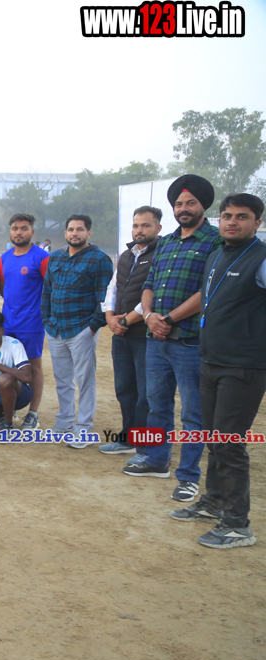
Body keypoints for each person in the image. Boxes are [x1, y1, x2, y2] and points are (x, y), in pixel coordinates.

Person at [171, 193, 265, 548]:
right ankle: (214, 502)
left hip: (244, 366)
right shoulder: (215, 255)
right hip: (210, 360)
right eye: (227, 216)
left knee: (229, 442)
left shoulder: (261, 258)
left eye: (242, 216)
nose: (232, 222)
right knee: (213, 437)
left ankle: (238, 525)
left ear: (257, 223)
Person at [125, 174, 222, 503]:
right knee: (157, 405)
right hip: (156, 340)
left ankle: (189, 477)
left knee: (193, 413)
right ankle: (156, 459)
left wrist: (168, 319)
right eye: (179, 204)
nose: (184, 208)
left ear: (202, 206)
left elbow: (208, 291)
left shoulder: (214, 242)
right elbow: (149, 283)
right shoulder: (165, 242)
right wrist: (149, 316)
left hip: (190, 342)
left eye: (190, 203)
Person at [42, 214, 111, 447]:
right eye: (71, 229)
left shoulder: (99, 259)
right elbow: (47, 291)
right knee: (62, 379)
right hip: (55, 329)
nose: (75, 233)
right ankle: (65, 421)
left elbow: (104, 298)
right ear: (65, 233)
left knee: (85, 380)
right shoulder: (56, 257)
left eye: (80, 229)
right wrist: (46, 319)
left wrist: (92, 327)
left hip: (82, 329)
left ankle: (83, 429)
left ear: (88, 233)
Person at [101, 206, 161, 457]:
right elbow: (113, 288)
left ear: (158, 228)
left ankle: (145, 447)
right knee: (125, 389)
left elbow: (155, 290)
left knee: (146, 393)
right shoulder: (127, 255)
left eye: (146, 225)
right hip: (121, 335)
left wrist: (126, 320)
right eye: (136, 225)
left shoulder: (161, 254)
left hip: (145, 336)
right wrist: (109, 316)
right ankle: (128, 438)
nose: (140, 230)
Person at [0, 213, 49, 430]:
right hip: (8, 324)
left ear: (32, 232)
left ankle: (33, 413)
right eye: (15, 228)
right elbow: (4, 289)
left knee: (33, 368)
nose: (18, 232)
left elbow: (50, 289)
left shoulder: (42, 257)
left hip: (32, 324)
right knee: (8, 368)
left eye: (24, 228)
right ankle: (10, 409)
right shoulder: (4, 258)